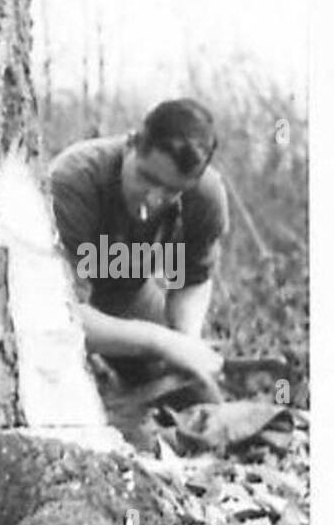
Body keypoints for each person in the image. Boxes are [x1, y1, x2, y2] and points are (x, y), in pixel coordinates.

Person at [49, 98, 230, 392]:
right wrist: (160, 341)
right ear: (131, 144)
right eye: (147, 178)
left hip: (128, 300)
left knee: (194, 390)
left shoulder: (205, 196)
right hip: (63, 309)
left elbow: (194, 279)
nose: (153, 198)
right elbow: (56, 314)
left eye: (172, 191)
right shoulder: (72, 181)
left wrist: (185, 342)